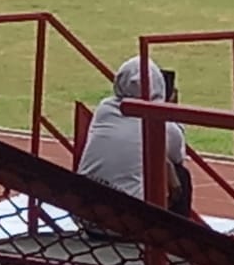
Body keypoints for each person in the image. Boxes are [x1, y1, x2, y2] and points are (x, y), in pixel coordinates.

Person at [77, 57, 191, 227]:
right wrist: (171, 111)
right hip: (129, 222)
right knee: (181, 174)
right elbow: (177, 156)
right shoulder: (162, 123)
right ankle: (175, 236)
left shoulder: (104, 109)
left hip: (84, 214)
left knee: (160, 162)